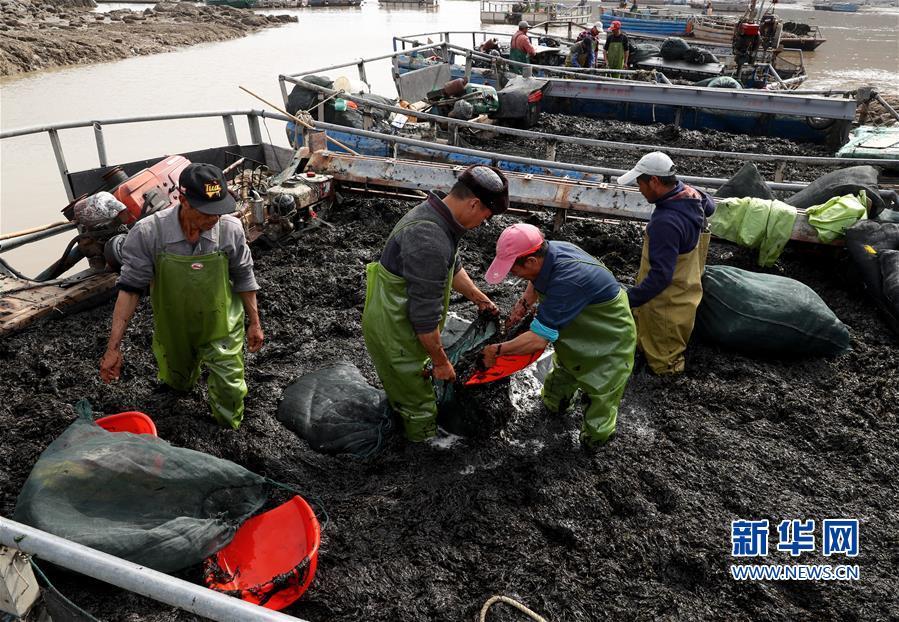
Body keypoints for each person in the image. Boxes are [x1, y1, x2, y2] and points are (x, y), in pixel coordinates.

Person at [99, 163, 264, 429]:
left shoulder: (230, 230)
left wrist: (254, 322)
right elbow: (130, 289)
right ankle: (181, 382)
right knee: (178, 380)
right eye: (206, 211)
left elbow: (244, 277)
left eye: (219, 210)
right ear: (183, 200)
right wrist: (113, 347)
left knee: (231, 388)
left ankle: (229, 427)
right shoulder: (149, 233)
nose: (214, 219)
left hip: (221, 324)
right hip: (173, 326)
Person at [362, 165, 509, 442]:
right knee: (419, 404)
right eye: (486, 218)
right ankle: (423, 446)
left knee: (412, 387)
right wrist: (441, 362)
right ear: (474, 204)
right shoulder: (429, 239)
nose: (482, 225)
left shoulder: (440, 215)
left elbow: (452, 266)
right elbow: (425, 319)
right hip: (395, 328)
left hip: (405, 318)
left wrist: (479, 298)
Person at [480, 224, 636, 447]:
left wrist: (495, 351)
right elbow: (537, 280)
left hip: (608, 333)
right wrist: (523, 304)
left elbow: (537, 340)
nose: (513, 275)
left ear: (532, 261)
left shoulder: (569, 279)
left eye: (514, 270)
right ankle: (555, 405)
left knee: (602, 390)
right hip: (577, 326)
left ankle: (595, 442)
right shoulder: (548, 253)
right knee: (564, 372)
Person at [617, 152, 715, 375]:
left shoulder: (666, 222)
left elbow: (661, 276)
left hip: (665, 305)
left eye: (640, 183)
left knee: (664, 363)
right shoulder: (692, 196)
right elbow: (711, 206)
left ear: (654, 181)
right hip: (685, 296)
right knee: (655, 342)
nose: (639, 190)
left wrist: (628, 299)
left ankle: (666, 381)